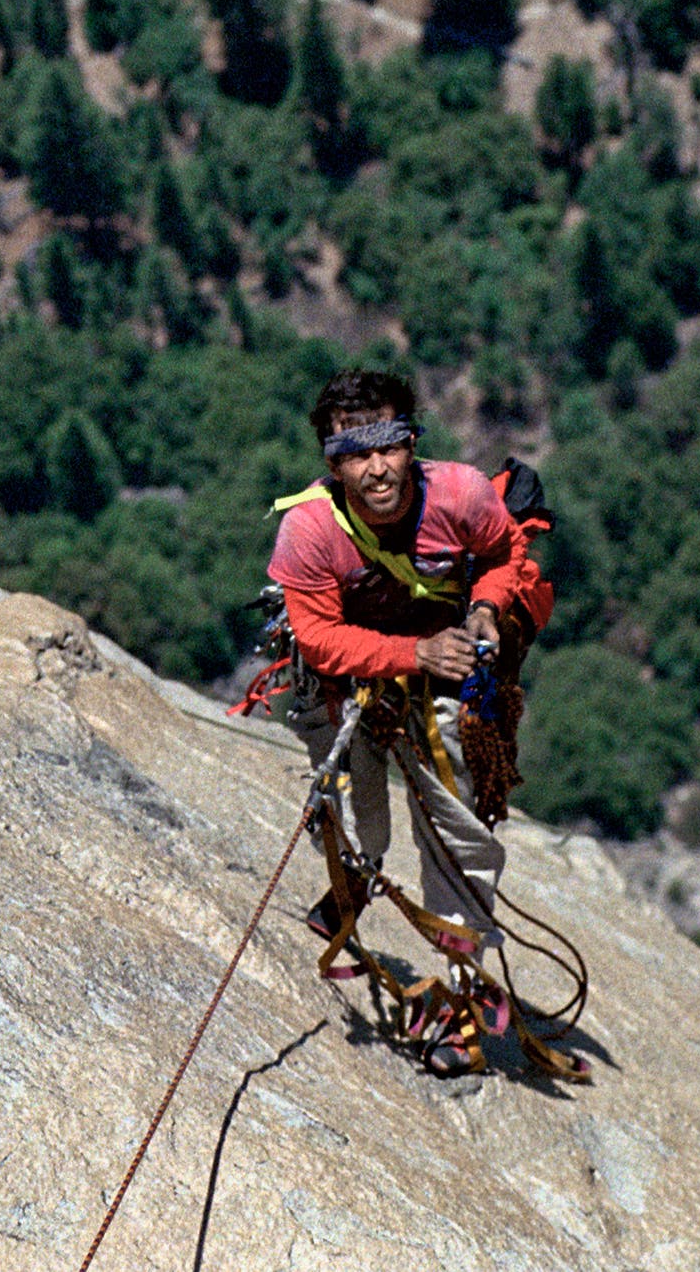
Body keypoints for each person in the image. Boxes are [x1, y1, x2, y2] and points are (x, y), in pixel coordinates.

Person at [266, 370, 556, 1078]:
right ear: (333, 465)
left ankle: (463, 1003)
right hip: (353, 678)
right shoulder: (309, 531)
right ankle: (356, 878)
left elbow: (500, 555)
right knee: (350, 799)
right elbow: (318, 638)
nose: (377, 468)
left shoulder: (458, 493)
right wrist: (410, 652)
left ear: (410, 445)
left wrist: (486, 609)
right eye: (356, 454)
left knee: (457, 839)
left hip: (447, 672)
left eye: (389, 446)